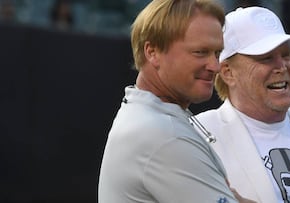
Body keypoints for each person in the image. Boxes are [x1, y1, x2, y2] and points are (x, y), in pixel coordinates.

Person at [98, 0, 255, 202]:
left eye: (217, 53)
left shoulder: (149, 115)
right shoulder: (165, 135)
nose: (215, 66)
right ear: (152, 52)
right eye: (200, 52)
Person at [195, 6, 290, 203]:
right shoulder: (202, 135)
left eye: (286, 55)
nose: (281, 67)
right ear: (227, 72)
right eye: (265, 58)